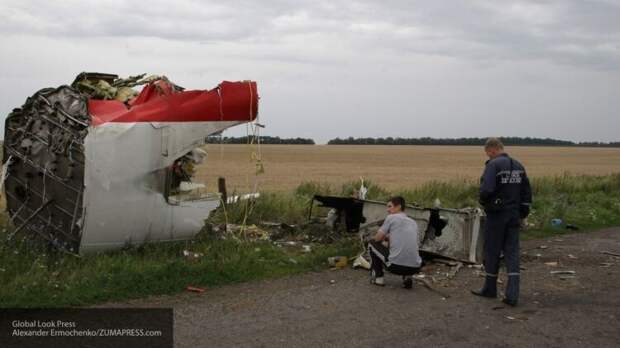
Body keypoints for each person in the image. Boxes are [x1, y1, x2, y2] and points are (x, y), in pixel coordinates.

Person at [472, 137, 532, 306]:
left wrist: (484, 202)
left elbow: (486, 189)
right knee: (512, 254)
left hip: (497, 216)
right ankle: (512, 295)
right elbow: (527, 193)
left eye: (488, 153)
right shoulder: (519, 166)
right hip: (514, 215)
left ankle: (490, 289)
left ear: (491, 150)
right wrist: (522, 213)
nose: (488, 156)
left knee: (492, 251)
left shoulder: (493, 165)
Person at [368, 196, 423, 289]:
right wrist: (388, 239)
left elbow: (377, 239)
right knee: (407, 249)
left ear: (398, 207)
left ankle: (378, 278)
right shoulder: (413, 222)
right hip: (415, 267)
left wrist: (382, 238)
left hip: (395, 267)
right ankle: (407, 277)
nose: (387, 210)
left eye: (390, 206)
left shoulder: (391, 218)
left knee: (371, 243)